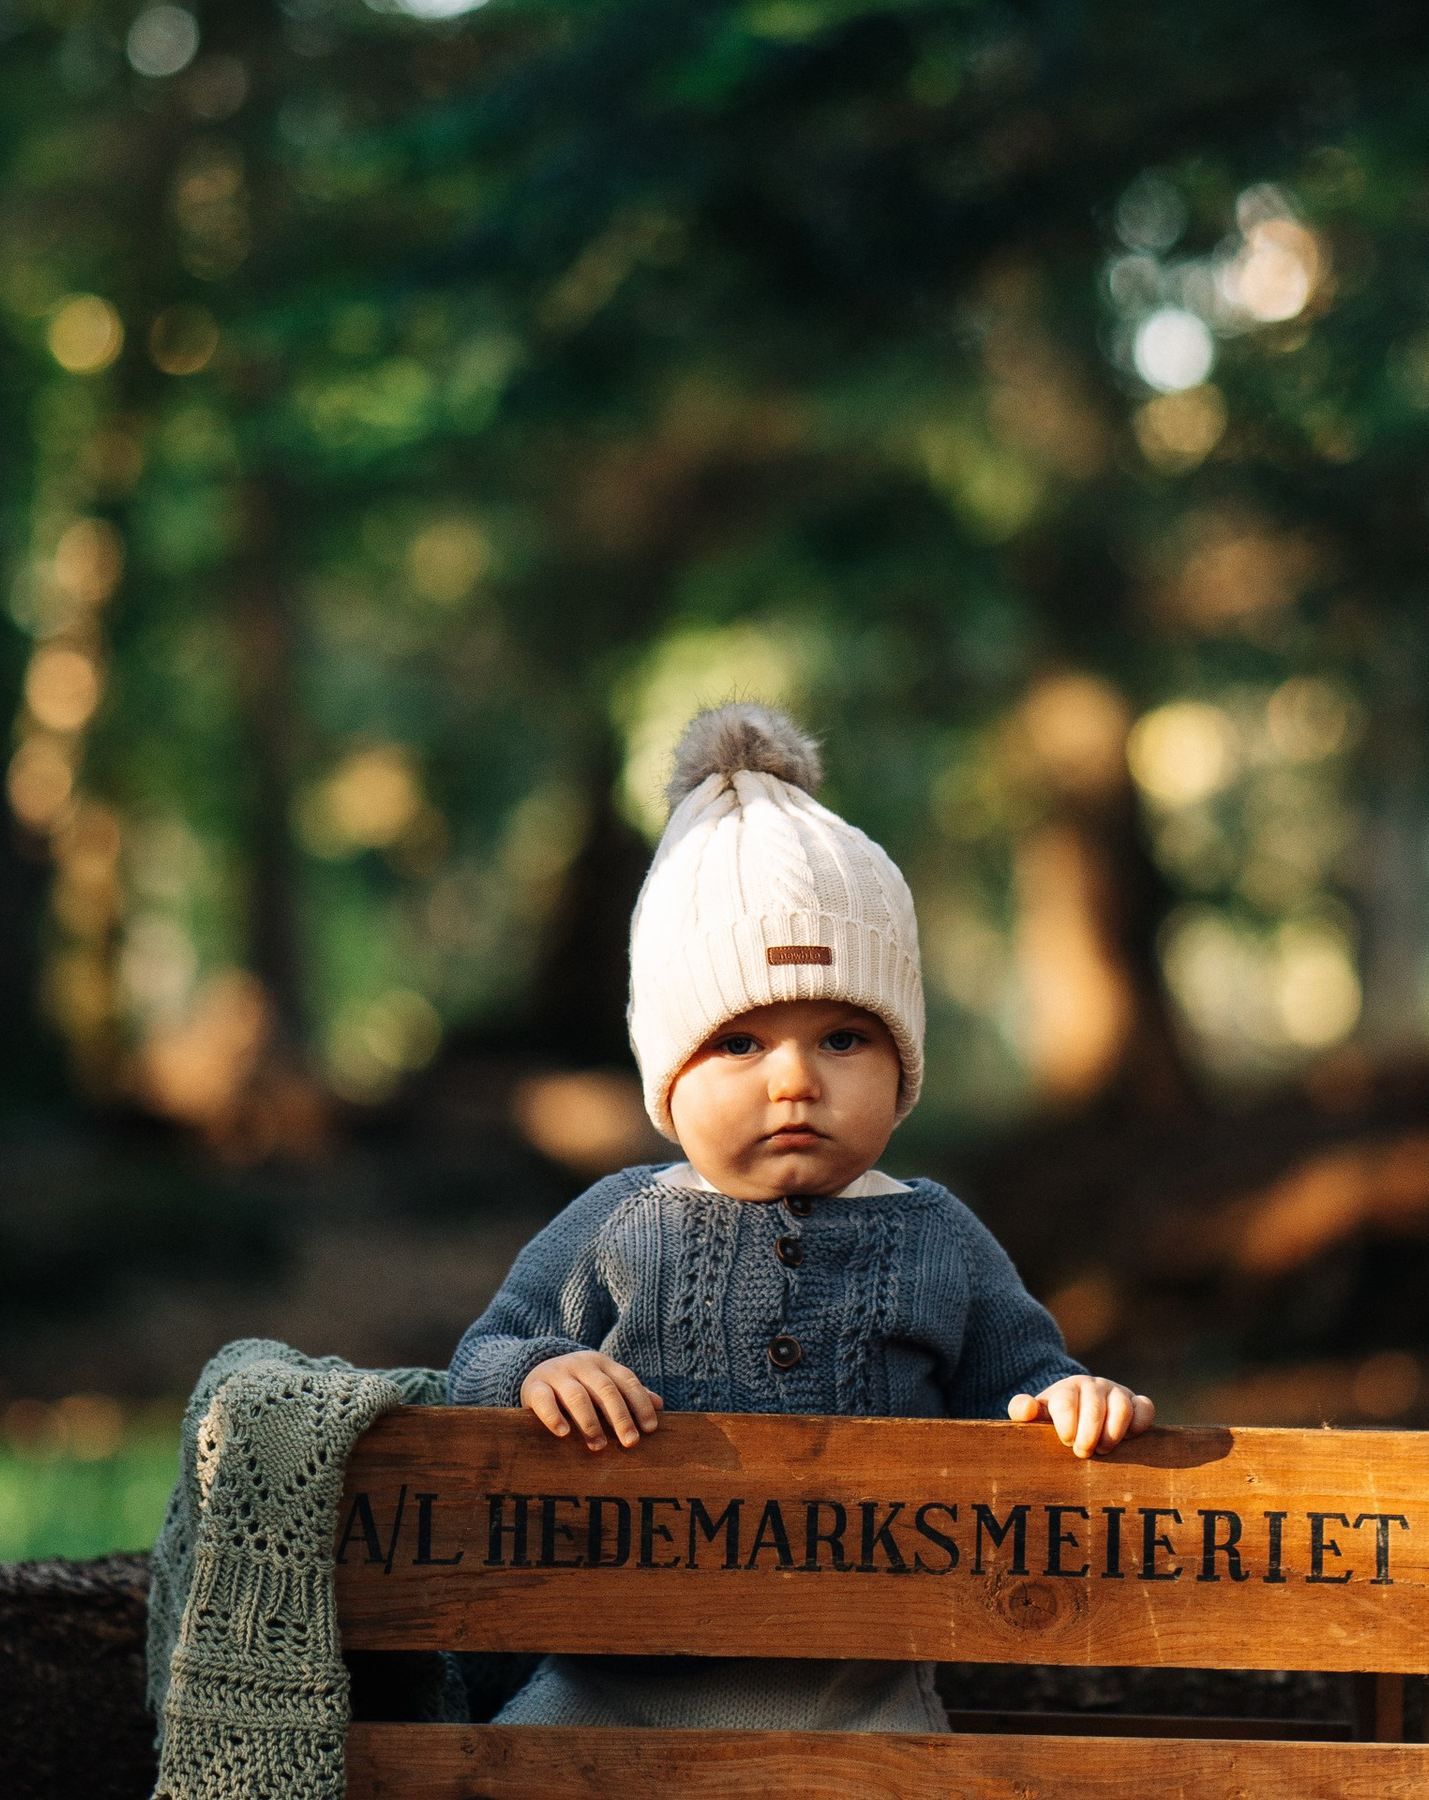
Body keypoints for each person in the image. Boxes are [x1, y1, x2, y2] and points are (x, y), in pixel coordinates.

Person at [447, 701, 1152, 1731]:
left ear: (901, 1061)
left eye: (841, 1040)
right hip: (611, 1687)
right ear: (668, 1073)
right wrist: (538, 1370)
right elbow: (481, 1354)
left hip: (862, 1696)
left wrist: (1068, 1401)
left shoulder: (938, 1235)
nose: (793, 1081)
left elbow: (1022, 1378)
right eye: (739, 1045)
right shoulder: (619, 1224)